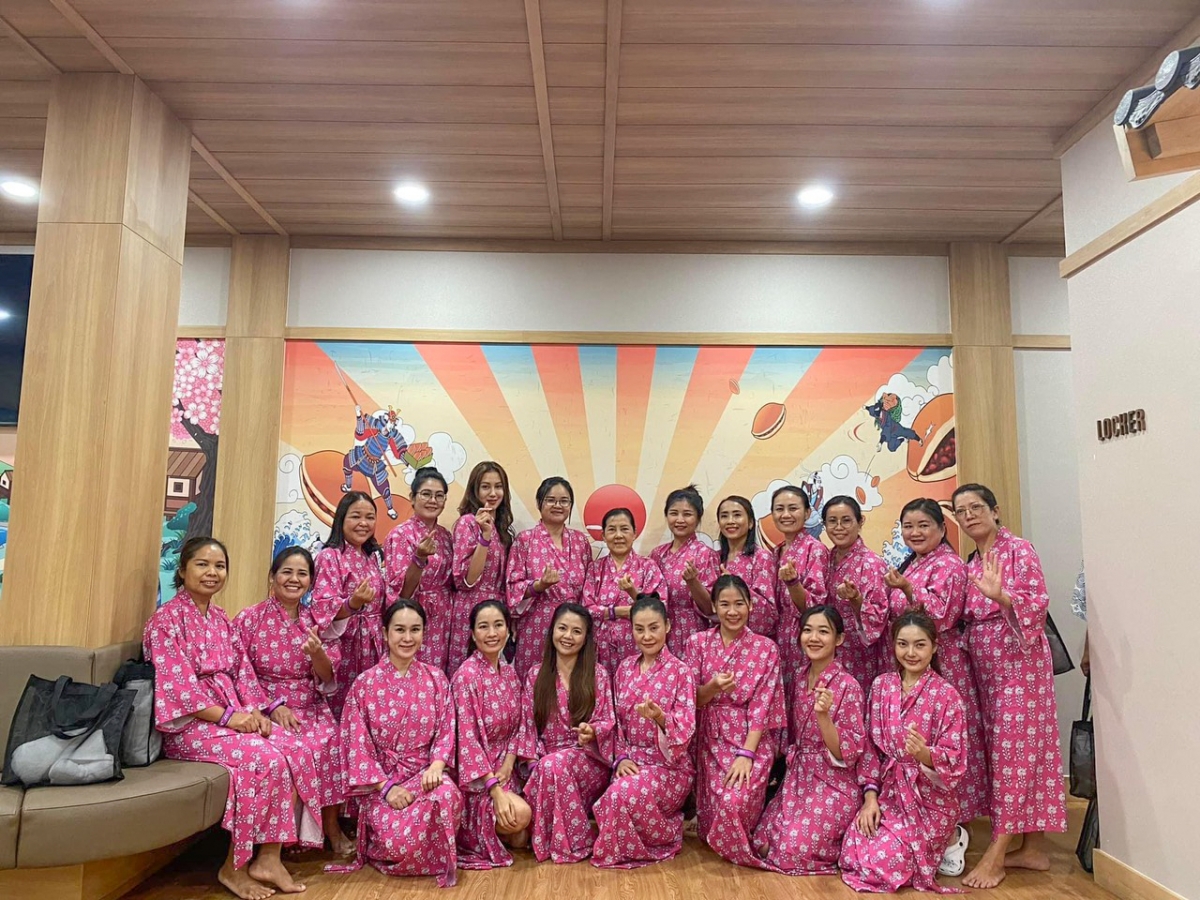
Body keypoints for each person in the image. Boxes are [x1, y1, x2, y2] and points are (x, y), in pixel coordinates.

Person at [144, 537, 322, 899]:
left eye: (219, 566)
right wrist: (229, 718)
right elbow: (179, 690)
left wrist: (256, 711)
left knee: (294, 747)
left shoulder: (221, 618)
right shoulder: (165, 621)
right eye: (202, 564)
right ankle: (234, 867)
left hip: (231, 714)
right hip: (191, 726)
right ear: (182, 570)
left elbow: (243, 673)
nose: (212, 572)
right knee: (265, 758)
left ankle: (269, 858)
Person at [954, 484, 1067, 890]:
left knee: (1014, 753)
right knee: (1011, 752)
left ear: (995, 510)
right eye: (961, 511)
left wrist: (1001, 595)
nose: (969, 516)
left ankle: (997, 854)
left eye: (976, 507)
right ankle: (1033, 849)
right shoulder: (970, 561)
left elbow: (1037, 602)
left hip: (1020, 665)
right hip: (985, 669)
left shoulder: (1018, 550)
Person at [330, 599, 463, 887]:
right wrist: (386, 788)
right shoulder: (364, 684)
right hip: (383, 784)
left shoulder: (437, 679)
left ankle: (428, 850)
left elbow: (446, 731)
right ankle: (408, 847)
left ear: (424, 633)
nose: (407, 638)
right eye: (399, 629)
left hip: (424, 776)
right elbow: (356, 746)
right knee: (399, 845)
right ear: (385, 633)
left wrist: (436, 766)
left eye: (415, 630)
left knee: (447, 796)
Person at [233, 546, 354, 857]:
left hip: (309, 704)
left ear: (311, 582)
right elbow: (239, 671)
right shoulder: (249, 619)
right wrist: (271, 707)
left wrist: (317, 654)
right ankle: (286, 838)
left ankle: (330, 827)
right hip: (265, 706)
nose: (294, 579)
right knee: (293, 747)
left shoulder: (317, 621)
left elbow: (327, 676)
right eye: (286, 571)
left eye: (302, 574)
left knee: (331, 739)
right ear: (272, 576)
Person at [880, 498, 989, 841]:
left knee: (944, 736)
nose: (915, 532)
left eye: (923, 525)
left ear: (942, 529)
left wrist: (907, 589)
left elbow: (942, 616)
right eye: (908, 526)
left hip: (943, 663)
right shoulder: (911, 563)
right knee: (914, 737)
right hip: (911, 661)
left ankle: (954, 822)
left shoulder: (949, 565)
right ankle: (919, 811)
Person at [839, 611, 967, 894]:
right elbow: (870, 750)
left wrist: (924, 753)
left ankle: (953, 837)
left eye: (920, 645)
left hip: (929, 799)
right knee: (851, 852)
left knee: (884, 865)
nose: (911, 653)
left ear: (934, 646)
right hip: (888, 792)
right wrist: (870, 799)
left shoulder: (948, 696)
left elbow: (955, 760)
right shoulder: (881, 686)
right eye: (903, 644)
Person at [752, 605, 866, 875]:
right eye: (807, 630)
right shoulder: (798, 677)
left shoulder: (848, 686)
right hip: (799, 776)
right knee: (761, 845)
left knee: (789, 852)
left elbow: (846, 753)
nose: (813, 638)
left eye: (823, 632)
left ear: (839, 639)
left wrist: (824, 716)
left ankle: (844, 845)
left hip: (834, 782)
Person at [686, 574, 785, 868]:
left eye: (739, 604)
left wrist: (746, 754)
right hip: (710, 739)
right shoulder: (697, 643)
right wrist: (713, 687)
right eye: (724, 604)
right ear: (714, 607)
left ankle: (753, 834)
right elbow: (691, 700)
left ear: (750, 605)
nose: (732, 611)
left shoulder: (766, 649)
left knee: (733, 803)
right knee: (711, 827)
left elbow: (763, 707)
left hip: (750, 740)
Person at [592, 594, 696, 868]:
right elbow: (613, 723)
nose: (647, 636)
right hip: (630, 762)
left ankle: (666, 834)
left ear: (668, 626)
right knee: (619, 792)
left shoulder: (681, 672)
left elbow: (686, 727)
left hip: (669, 766)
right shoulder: (624, 668)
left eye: (654, 627)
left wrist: (660, 717)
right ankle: (630, 843)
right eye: (639, 629)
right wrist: (620, 759)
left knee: (620, 794)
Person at [517, 603, 615, 863]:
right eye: (562, 628)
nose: (568, 636)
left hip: (588, 759)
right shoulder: (535, 675)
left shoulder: (598, 675)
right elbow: (526, 727)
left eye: (576, 631)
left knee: (554, 765)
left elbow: (608, 720)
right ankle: (556, 840)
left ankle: (572, 844)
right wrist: (534, 762)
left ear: (586, 638)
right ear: (552, 631)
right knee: (549, 766)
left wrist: (592, 731)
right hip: (545, 760)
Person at [452, 600, 532, 869]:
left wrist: (509, 763)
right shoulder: (466, 677)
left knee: (523, 835)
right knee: (521, 815)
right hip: (479, 780)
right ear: (473, 634)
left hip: (508, 769)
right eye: (483, 627)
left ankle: (503, 831)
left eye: (498, 625)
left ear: (508, 630)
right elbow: (466, 740)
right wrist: (494, 789)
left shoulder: (509, 672)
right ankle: (475, 827)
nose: (492, 633)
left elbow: (521, 724)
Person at [505, 477, 593, 680]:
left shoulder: (580, 542)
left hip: (573, 626)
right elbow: (512, 588)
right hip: (537, 623)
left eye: (564, 501)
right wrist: (539, 585)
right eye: (551, 500)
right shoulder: (525, 540)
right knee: (535, 681)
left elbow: (589, 588)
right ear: (539, 503)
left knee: (571, 681)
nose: (557, 505)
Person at [310, 491, 385, 718]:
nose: (363, 523)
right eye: (355, 516)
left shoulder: (373, 557)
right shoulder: (330, 556)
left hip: (374, 642)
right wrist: (353, 603)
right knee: (344, 708)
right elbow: (322, 607)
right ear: (341, 519)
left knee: (371, 705)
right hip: (345, 645)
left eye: (370, 517)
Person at [384, 467, 456, 671]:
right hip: (414, 616)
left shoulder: (446, 536)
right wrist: (419, 558)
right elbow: (402, 593)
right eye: (426, 494)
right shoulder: (399, 535)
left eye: (439, 496)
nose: (433, 500)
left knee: (439, 674)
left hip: (445, 616)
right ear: (412, 498)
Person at [448, 461, 514, 674]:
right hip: (471, 608)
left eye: (498, 486)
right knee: (469, 673)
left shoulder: (502, 529)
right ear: (475, 490)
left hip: (497, 610)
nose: (493, 493)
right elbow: (467, 580)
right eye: (486, 487)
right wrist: (484, 537)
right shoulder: (468, 523)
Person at [582, 507, 665, 676]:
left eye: (624, 529)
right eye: (612, 530)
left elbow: (659, 608)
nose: (618, 535)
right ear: (603, 536)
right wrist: (619, 611)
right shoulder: (595, 568)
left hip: (638, 646)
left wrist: (632, 593)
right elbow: (587, 609)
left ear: (634, 533)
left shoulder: (648, 567)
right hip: (600, 648)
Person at [822, 495, 889, 692]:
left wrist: (856, 599)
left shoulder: (871, 563)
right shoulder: (826, 559)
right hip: (828, 650)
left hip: (861, 656)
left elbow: (878, 618)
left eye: (846, 520)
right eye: (832, 521)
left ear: (860, 522)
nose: (839, 527)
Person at [772, 485, 830, 700]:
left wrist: (793, 583)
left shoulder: (815, 549)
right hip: (779, 638)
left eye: (793, 508)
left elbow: (815, 607)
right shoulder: (776, 551)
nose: (786, 515)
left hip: (804, 637)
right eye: (779, 509)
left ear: (807, 513)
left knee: (803, 699)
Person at [651, 485, 719, 657]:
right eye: (674, 513)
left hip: (694, 630)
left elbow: (711, 608)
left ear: (698, 518)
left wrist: (693, 582)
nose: (680, 520)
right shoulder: (657, 554)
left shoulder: (705, 554)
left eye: (687, 514)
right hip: (660, 630)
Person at [716, 495, 779, 639]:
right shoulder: (714, 558)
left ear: (750, 523)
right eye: (724, 516)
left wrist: (734, 586)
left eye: (737, 515)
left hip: (753, 642)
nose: (730, 521)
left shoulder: (762, 558)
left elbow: (767, 613)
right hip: (719, 641)